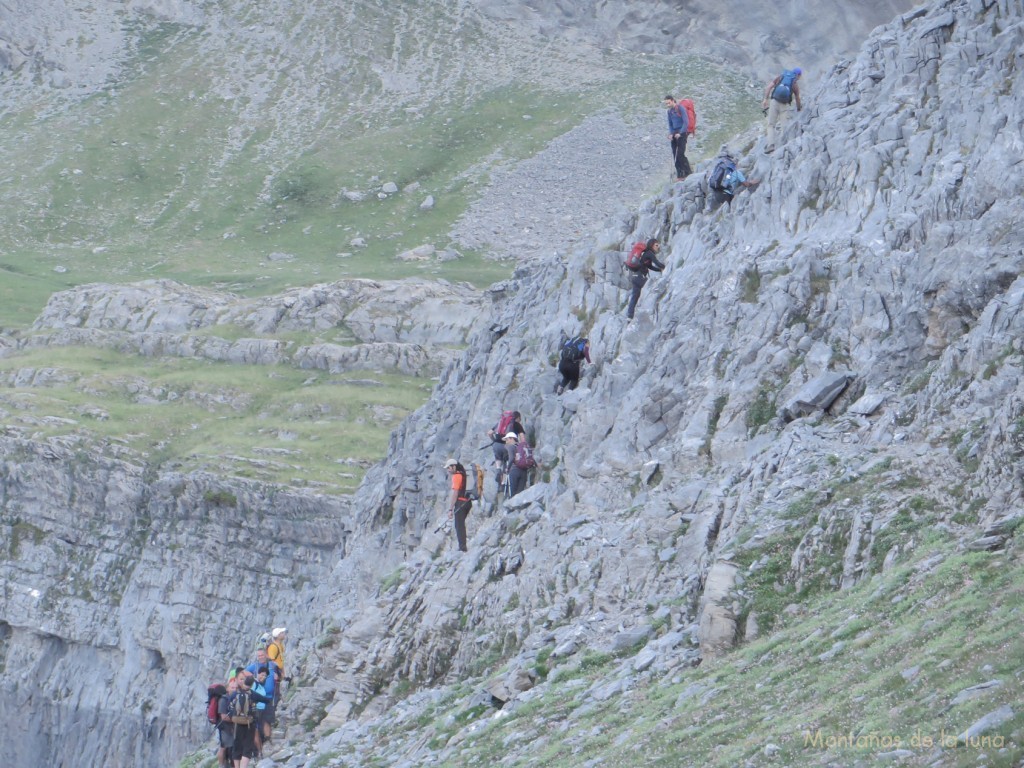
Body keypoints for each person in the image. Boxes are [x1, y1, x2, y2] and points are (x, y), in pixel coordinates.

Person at [762, 68, 802, 152]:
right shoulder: (794, 84)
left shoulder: (781, 77)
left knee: (771, 125)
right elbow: (797, 98)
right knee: (784, 126)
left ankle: (771, 145)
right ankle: (784, 146)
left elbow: (769, 87)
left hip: (774, 102)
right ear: (798, 75)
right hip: (784, 105)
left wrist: (765, 99)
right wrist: (799, 108)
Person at [625, 238, 666, 320]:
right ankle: (647, 311)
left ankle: (629, 316)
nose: (658, 247)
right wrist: (665, 267)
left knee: (635, 296)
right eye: (656, 245)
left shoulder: (645, 255)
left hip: (635, 277)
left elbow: (650, 266)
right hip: (640, 277)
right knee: (652, 288)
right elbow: (657, 263)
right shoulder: (649, 253)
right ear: (652, 245)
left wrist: (659, 270)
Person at [444, 458, 473, 552]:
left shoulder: (457, 476)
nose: (448, 470)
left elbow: (455, 492)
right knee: (460, 524)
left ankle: (462, 547)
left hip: (461, 502)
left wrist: (450, 509)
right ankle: (462, 545)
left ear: (453, 466)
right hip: (467, 502)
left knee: (459, 525)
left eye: (449, 467)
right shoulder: (463, 474)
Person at [486, 411, 524, 481]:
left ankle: (498, 469)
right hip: (508, 446)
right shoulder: (517, 424)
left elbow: (489, 433)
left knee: (498, 458)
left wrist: (494, 440)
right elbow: (522, 437)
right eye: (520, 418)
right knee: (507, 462)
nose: (520, 420)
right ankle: (504, 482)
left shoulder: (500, 423)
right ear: (517, 418)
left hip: (496, 445)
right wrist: (523, 446)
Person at [664, 95, 691, 179]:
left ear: (672, 101)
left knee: (680, 154)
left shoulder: (680, 108)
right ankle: (680, 175)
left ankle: (688, 172)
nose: (667, 105)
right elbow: (670, 124)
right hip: (675, 134)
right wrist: (671, 134)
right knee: (675, 155)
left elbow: (686, 122)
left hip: (682, 134)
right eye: (666, 104)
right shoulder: (669, 112)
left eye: (668, 103)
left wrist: (681, 132)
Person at [216, 676, 238, 768]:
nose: (234, 689)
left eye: (236, 688)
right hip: (224, 727)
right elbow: (223, 716)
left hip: (231, 727)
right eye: (232, 687)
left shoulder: (233, 698)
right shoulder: (223, 700)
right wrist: (235, 720)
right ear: (227, 688)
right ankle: (221, 765)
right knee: (223, 747)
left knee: (231, 746)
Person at [266, 628, 288, 706]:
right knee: (275, 692)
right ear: (278, 635)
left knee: (277, 691)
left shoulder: (280, 645)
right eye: (282, 633)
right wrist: (275, 673)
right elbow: (271, 661)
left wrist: (283, 673)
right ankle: (272, 708)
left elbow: (281, 660)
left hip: (279, 672)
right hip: (275, 673)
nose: (284, 634)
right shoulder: (273, 647)